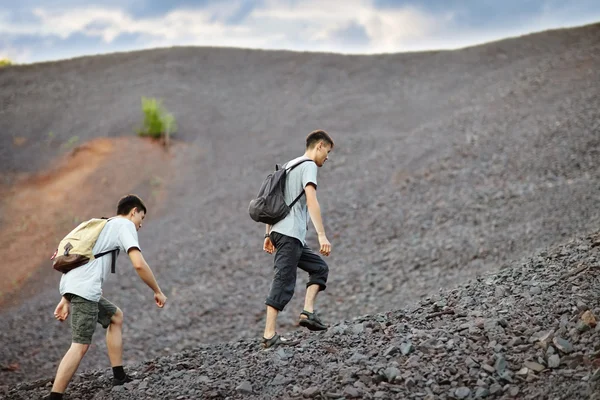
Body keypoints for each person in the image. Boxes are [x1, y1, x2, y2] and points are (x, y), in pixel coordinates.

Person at [47, 194, 167, 400]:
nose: (141, 224)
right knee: (80, 344)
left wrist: (66, 298)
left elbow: (81, 262)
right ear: (133, 212)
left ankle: (119, 376)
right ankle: (54, 396)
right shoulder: (124, 226)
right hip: (84, 290)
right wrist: (157, 290)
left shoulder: (104, 225)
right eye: (142, 218)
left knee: (115, 317)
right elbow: (138, 263)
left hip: (77, 286)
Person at [262, 129, 334, 348]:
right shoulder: (308, 165)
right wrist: (322, 234)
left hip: (283, 232)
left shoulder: (288, 165)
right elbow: (311, 200)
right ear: (319, 145)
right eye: (327, 151)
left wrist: (268, 232)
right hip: (290, 233)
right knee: (283, 279)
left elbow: (273, 199)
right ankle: (269, 335)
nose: (327, 157)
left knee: (319, 268)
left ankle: (308, 313)